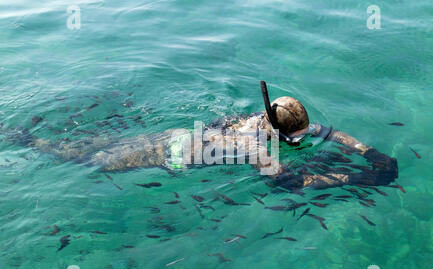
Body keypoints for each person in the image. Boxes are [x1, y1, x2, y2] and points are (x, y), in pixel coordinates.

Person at [1, 81, 398, 190]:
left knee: (96, 146)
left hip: (176, 134)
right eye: (296, 137)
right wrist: (355, 177)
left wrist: (369, 151)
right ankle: (27, 141)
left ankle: (27, 137)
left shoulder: (264, 119)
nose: (303, 137)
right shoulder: (255, 147)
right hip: (168, 155)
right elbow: (296, 181)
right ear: (280, 130)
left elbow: (327, 132)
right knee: (85, 158)